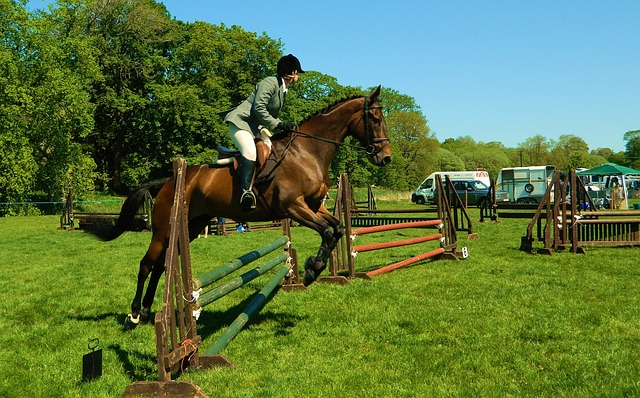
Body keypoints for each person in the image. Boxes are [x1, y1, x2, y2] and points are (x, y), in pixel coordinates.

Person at [224, 54, 304, 210]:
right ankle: (246, 193)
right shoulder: (269, 83)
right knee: (250, 152)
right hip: (241, 122)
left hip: (256, 127)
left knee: (273, 150)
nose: (298, 77)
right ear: (292, 73)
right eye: (297, 73)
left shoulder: (282, 88)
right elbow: (259, 108)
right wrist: (279, 124)